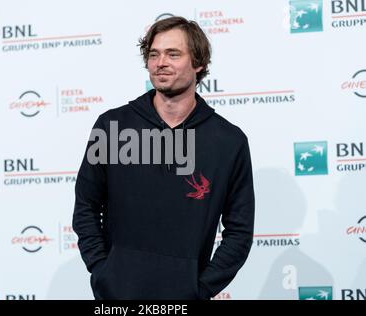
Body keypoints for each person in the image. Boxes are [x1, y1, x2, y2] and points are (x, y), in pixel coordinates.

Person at [72, 16, 255, 300]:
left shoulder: (228, 142)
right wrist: (103, 270)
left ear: (199, 63)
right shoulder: (112, 126)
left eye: (173, 54)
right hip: (116, 295)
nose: (160, 63)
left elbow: (240, 231)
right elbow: (86, 205)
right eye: (154, 54)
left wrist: (200, 289)